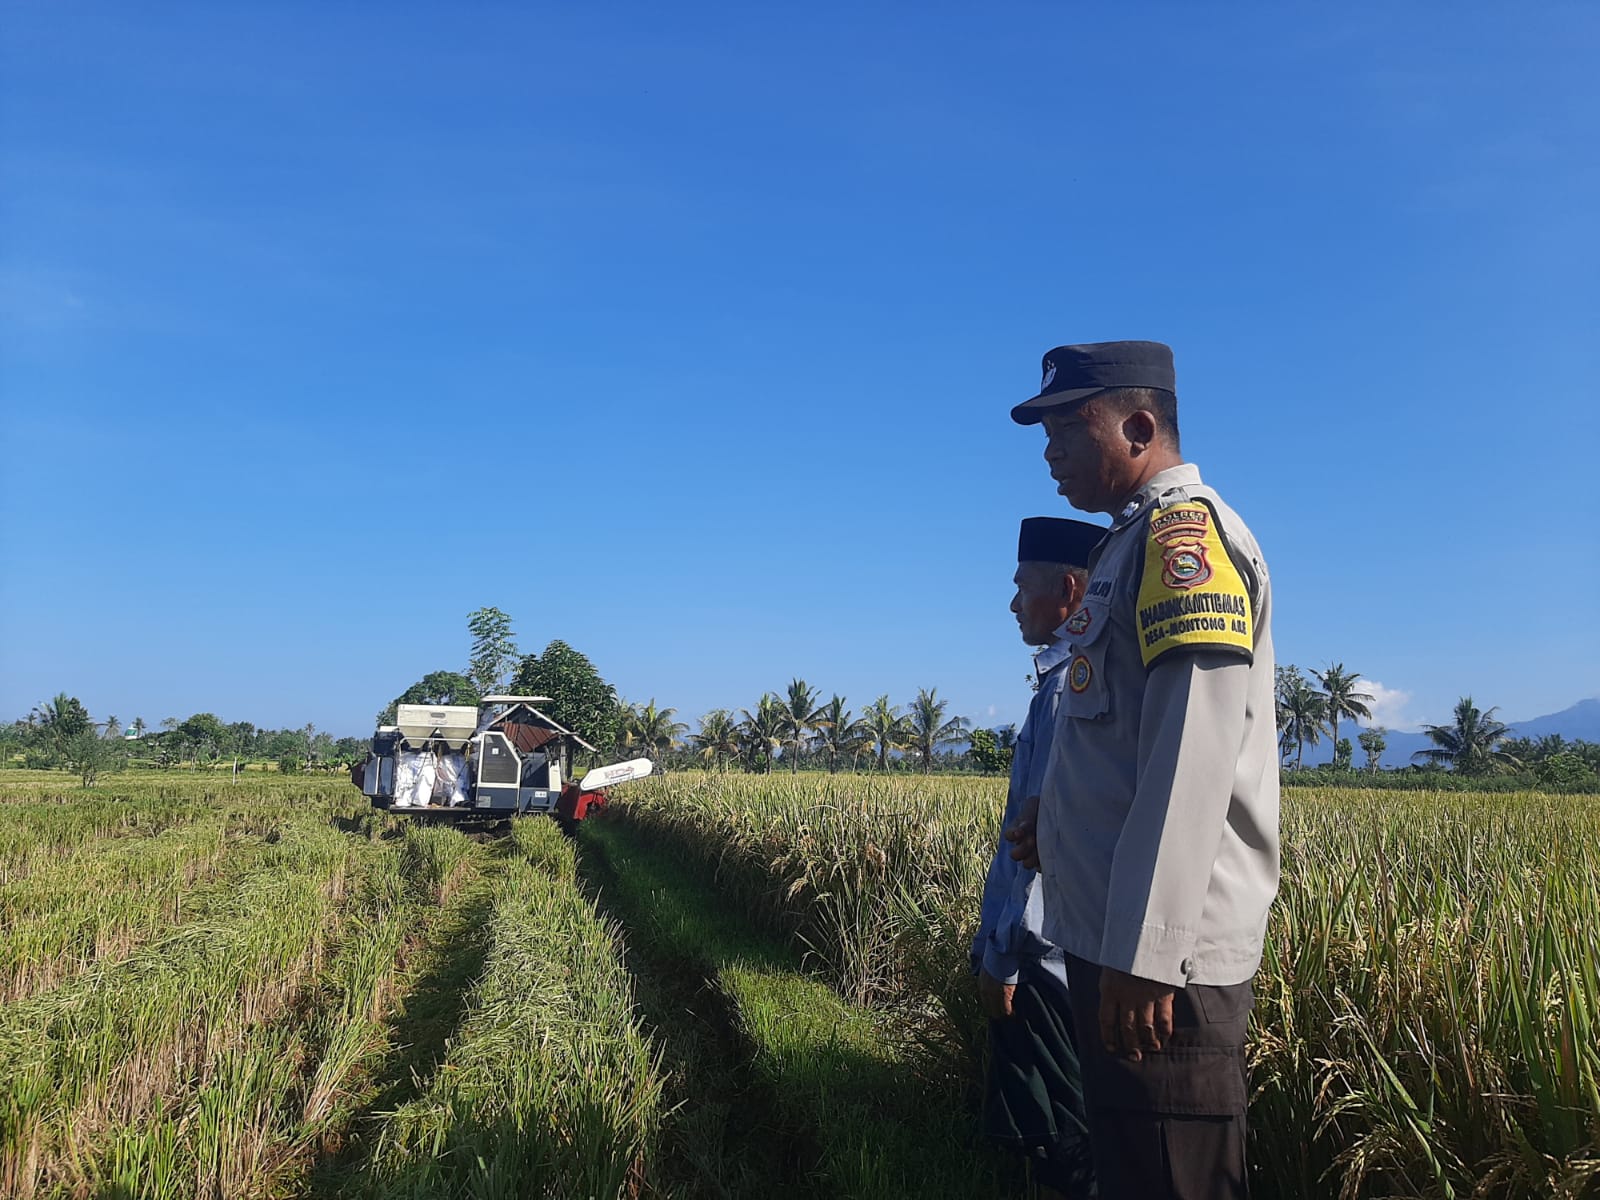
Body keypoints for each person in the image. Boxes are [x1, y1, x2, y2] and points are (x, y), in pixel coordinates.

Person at [1006, 340, 1278, 1199]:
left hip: (1164, 975)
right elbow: (1120, 741)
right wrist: (1053, 823)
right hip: (1115, 952)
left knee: (1171, 1177)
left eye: (1063, 428)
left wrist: (1147, 955)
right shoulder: (1129, 546)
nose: (1048, 450)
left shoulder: (1184, 537)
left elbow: (1190, 750)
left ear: (1135, 425)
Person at [973, 515, 1104, 1200]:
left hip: (1042, 967)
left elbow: (1035, 847)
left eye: (1023, 586)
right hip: (1051, 962)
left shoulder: (1064, 693)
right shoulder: (1059, 686)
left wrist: (1000, 956)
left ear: (1070, 590)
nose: (1014, 602)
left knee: (1062, 1150)